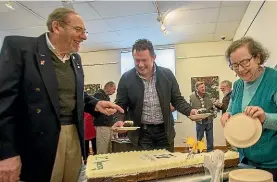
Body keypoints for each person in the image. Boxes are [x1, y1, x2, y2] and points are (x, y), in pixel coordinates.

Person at [0, 8, 123, 182]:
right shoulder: (20, 48)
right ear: (57, 27)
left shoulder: (75, 59)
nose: (84, 37)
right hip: (38, 141)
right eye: (78, 30)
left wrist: (95, 104)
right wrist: (6, 153)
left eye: (84, 31)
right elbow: (3, 104)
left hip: (73, 135)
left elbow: (76, 94)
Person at [221, 37, 277, 182]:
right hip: (251, 160)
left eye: (245, 62)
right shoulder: (238, 85)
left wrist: (265, 118)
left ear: (258, 57)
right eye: (234, 65)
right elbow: (232, 109)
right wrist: (228, 115)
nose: (240, 69)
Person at [112, 39, 197, 152]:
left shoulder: (167, 75)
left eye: (144, 60)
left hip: (165, 133)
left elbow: (177, 100)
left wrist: (190, 111)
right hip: (141, 134)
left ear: (153, 57)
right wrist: (118, 120)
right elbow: (120, 105)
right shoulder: (126, 78)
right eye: (137, 60)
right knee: (145, 167)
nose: (140, 64)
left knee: (166, 167)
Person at [189, 81, 215, 152]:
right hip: (199, 121)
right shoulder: (192, 97)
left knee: (210, 138)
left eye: (204, 87)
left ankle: (210, 151)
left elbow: (213, 107)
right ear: (197, 88)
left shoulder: (209, 95)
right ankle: (198, 152)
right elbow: (190, 109)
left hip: (209, 120)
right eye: (201, 87)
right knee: (199, 138)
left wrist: (213, 113)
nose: (204, 88)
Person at [93, 81, 116, 154]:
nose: (114, 91)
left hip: (107, 125)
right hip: (102, 125)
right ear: (108, 87)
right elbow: (99, 109)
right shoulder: (99, 95)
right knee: (102, 149)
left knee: (108, 148)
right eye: (114, 89)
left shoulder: (106, 97)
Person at [213, 80, 233, 150]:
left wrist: (218, 104)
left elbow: (228, 108)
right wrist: (217, 104)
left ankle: (232, 152)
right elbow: (223, 107)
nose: (221, 89)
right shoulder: (226, 95)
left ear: (228, 87)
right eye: (220, 88)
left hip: (231, 120)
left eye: (222, 87)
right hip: (226, 120)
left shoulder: (232, 95)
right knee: (228, 137)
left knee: (231, 137)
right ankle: (230, 151)